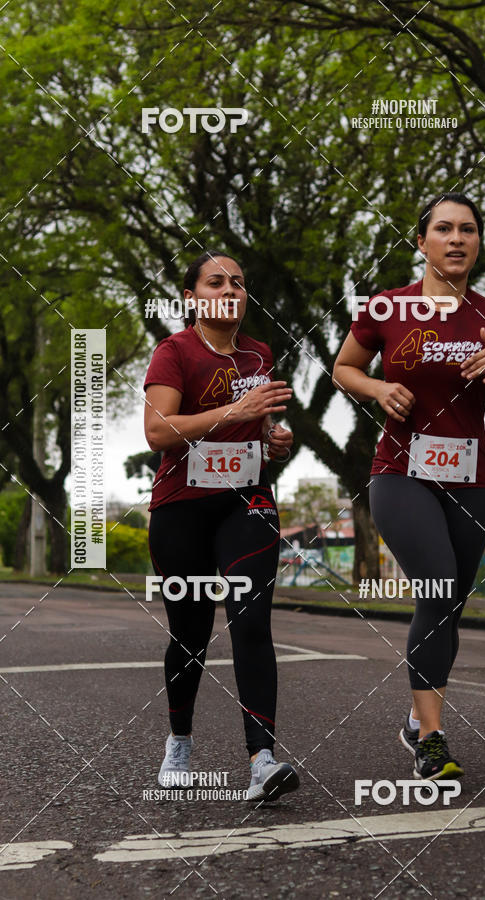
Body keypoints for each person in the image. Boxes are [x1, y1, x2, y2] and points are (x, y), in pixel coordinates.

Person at [333, 192, 485, 780]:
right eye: (443, 229)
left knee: (448, 607)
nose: (457, 239)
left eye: (468, 230)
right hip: (401, 473)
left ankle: (419, 717)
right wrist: (377, 390)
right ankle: (434, 741)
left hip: (472, 477)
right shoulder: (387, 308)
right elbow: (346, 368)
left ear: (477, 243)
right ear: (421, 243)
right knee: (440, 587)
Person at [143, 250, 300, 799]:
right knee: (189, 634)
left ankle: (262, 759)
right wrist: (234, 414)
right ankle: (179, 742)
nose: (230, 288)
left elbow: (259, 429)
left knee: (251, 622)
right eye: (216, 281)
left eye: (238, 281)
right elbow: (159, 433)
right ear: (192, 297)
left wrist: (272, 440)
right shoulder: (174, 352)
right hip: (181, 506)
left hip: (247, 501)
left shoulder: (259, 353)